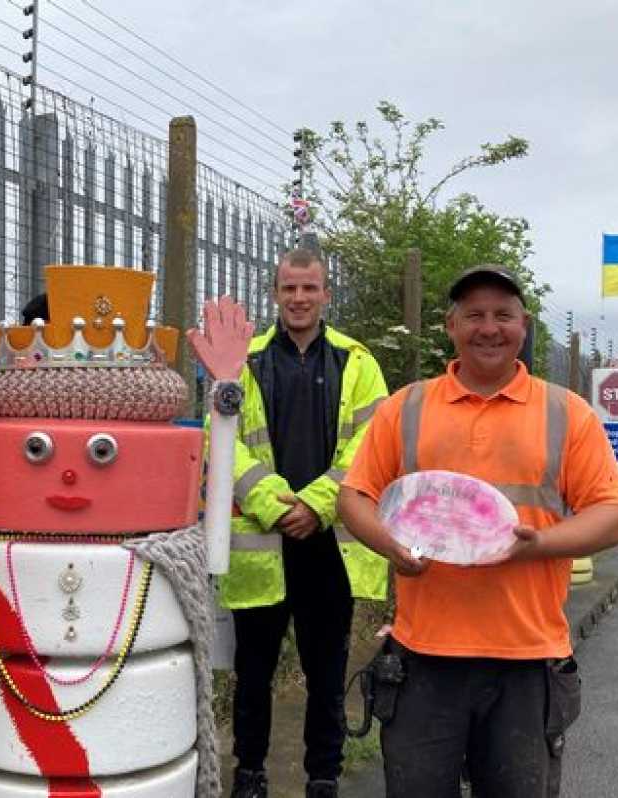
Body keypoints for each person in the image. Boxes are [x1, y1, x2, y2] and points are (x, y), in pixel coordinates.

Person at [338, 265, 618, 798]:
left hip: (525, 660)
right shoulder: (405, 408)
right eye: (474, 315)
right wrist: (390, 544)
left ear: (524, 326)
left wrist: (539, 545)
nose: (489, 327)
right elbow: (353, 497)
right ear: (451, 326)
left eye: (503, 314)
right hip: (422, 658)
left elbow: (614, 516)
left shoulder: (566, 413)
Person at [222, 248, 389, 798]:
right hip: (261, 544)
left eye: (309, 288)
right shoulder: (239, 361)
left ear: (325, 294)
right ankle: (249, 773)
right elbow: (217, 444)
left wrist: (316, 506)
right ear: (275, 293)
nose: (299, 298)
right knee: (254, 674)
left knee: (325, 675)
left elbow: (374, 445)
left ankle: (323, 776)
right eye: (289, 288)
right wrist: (275, 505)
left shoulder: (357, 362)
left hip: (328, 546)